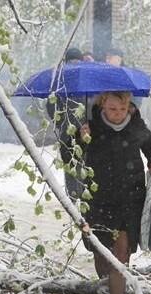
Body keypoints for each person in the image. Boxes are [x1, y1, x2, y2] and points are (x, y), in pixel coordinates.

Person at [79, 91, 151, 294]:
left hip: (130, 200)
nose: (118, 114)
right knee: (100, 251)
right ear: (102, 106)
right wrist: (80, 138)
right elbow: (70, 155)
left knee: (121, 252)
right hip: (98, 200)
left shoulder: (136, 127)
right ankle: (109, 290)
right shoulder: (92, 127)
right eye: (112, 109)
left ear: (128, 107)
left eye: (122, 109)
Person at [46, 47, 87, 200]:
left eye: (77, 61)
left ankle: (84, 197)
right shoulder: (59, 83)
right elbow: (51, 106)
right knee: (70, 167)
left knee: (84, 166)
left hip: (85, 133)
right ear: (66, 62)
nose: (75, 64)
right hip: (66, 134)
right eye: (72, 61)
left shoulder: (85, 82)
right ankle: (73, 197)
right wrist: (62, 123)